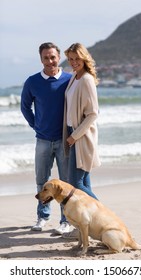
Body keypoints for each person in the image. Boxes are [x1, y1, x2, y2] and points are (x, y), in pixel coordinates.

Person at [21, 42, 72, 233]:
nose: (50, 61)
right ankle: (42, 217)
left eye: (53, 57)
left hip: (64, 140)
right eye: (46, 58)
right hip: (42, 140)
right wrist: (36, 124)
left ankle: (66, 221)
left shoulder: (69, 79)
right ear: (41, 59)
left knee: (65, 182)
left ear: (59, 57)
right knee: (42, 180)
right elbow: (25, 107)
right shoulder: (32, 81)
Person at [62, 43, 101, 239]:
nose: (74, 62)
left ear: (84, 58)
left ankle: (103, 215)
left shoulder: (86, 79)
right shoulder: (73, 78)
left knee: (76, 184)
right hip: (71, 133)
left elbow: (93, 114)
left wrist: (74, 136)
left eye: (77, 58)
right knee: (84, 181)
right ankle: (90, 224)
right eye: (70, 59)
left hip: (81, 137)